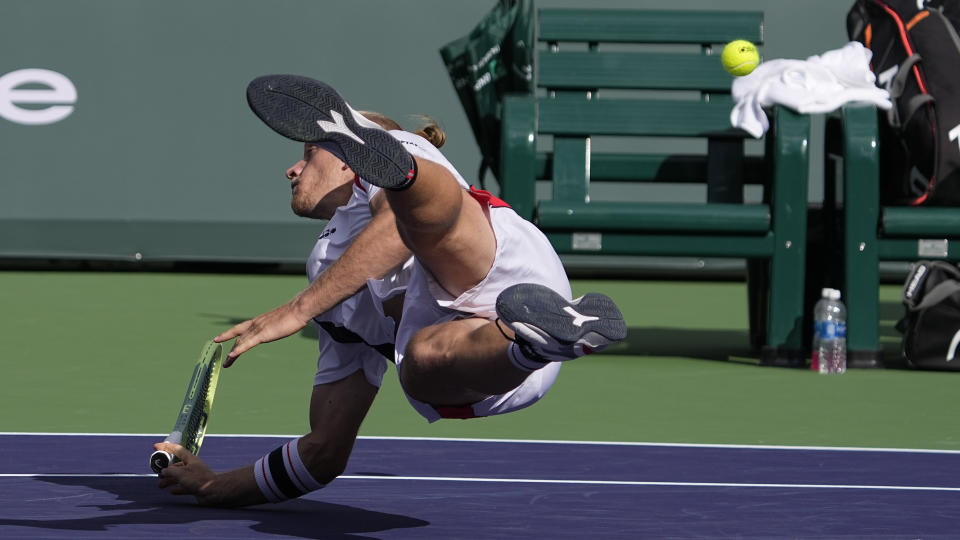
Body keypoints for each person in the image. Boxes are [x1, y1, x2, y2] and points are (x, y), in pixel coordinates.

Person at [155, 75, 626, 507]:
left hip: (496, 257)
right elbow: (324, 451)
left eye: (309, 153)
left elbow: (397, 232)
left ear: (345, 161)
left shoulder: (387, 160)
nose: (292, 170)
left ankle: (405, 178)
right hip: (498, 361)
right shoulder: (326, 271)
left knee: (424, 221)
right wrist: (214, 486)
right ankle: (537, 338)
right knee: (418, 363)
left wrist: (299, 310)